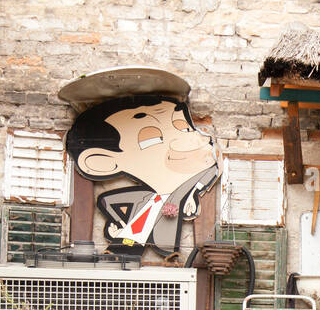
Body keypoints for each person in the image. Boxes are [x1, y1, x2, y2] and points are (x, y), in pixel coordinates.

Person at [65, 94, 221, 257]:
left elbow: (209, 169)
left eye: (183, 127)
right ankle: (120, 250)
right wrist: (119, 221)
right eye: (151, 138)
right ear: (102, 162)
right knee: (126, 245)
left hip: (164, 248)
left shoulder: (191, 182)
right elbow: (106, 201)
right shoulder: (140, 197)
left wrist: (192, 194)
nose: (185, 137)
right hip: (131, 241)